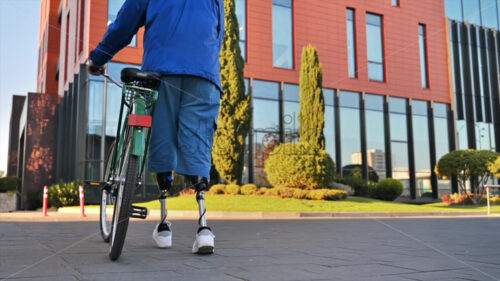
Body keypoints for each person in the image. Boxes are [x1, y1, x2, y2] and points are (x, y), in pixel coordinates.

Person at [88, 0, 225, 255]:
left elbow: (124, 24)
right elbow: (218, 34)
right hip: (204, 75)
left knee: (161, 136)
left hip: (162, 70)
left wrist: (99, 58)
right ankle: (204, 229)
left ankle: (164, 226)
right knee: (197, 142)